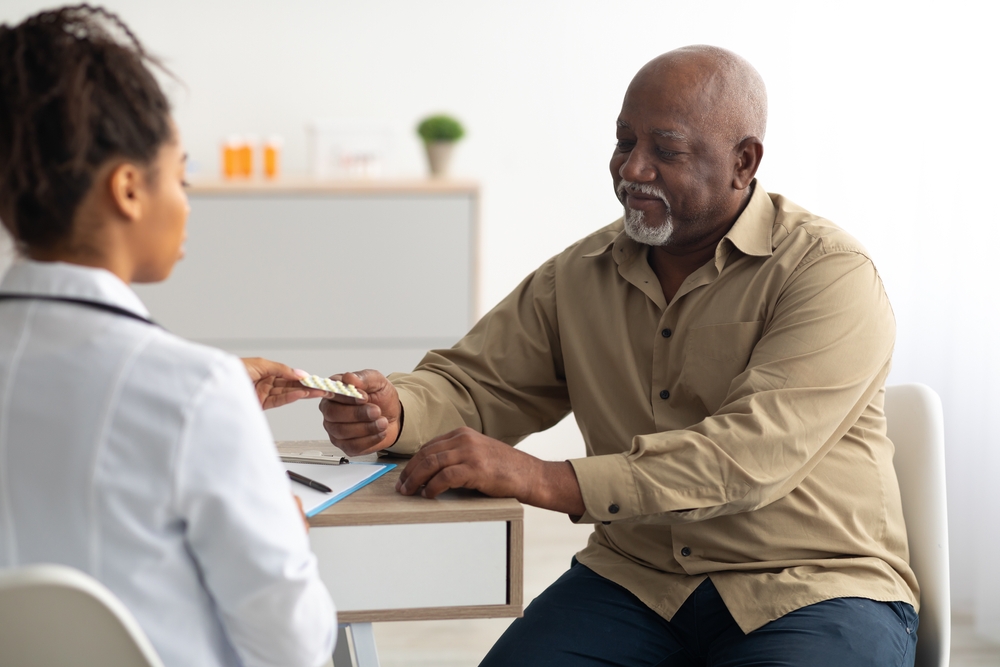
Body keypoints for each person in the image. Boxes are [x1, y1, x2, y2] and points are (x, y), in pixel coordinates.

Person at [320, 45, 920, 666]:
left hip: (810, 586)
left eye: (667, 150)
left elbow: (749, 456)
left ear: (744, 162)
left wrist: (544, 477)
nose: (633, 169)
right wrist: (397, 411)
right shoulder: (578, 274)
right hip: (638, 582)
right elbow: (480, 386)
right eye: (623, 142)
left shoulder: (828, 273)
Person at [0, 7, 335, 666]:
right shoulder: (195, 391)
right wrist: (287, 533)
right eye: (179, 177)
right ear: (128, 188)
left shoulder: (199, 391)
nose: (186, 200)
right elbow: (293, 648)